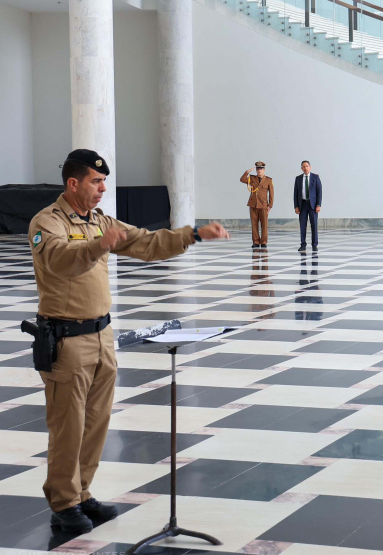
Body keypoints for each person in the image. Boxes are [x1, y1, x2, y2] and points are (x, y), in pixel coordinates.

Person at [28, 149, 229, 534]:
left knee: (97, 424)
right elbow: (59, 260)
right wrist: (99, 245)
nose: (103, 188)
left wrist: (194, 234)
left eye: (104, 181)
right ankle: (64, 504)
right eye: (96, 181)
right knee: (68, 426)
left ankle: (83, 492)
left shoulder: (100, 221)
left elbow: (146, 243)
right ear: (73, 184)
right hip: (66, 341)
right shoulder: (47, 222)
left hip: (102, 336)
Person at [240, 161, 273, 249]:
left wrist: (270, 205)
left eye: (261, 169)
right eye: (258, 169)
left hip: (263, 205)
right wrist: (247, 172)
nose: (259, 171)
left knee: (264, 224)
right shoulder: (252, 178)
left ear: (264, 170)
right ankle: (255, 241)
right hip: (253, 204)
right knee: (254, 224)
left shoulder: (268, 180)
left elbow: (271, 194)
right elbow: (242, 180)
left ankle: (264, 241)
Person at [293, 160, 322, 252]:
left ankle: (314, 244)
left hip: (313, 205)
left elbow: (319, 192)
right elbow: (295, 193)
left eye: (307, 166)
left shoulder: (315, 177)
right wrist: (296, 206)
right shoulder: (298, 179)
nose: (305, 168)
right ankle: (303, 245)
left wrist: (318, 204)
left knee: (314, 225)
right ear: (301, 168)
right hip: (303, 205)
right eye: (303, 166)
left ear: (310, 167)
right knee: (302, 225)